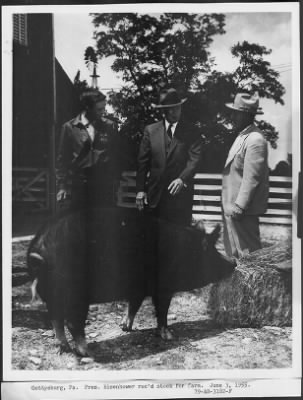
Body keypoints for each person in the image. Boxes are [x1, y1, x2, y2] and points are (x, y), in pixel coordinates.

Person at [136, 87, 202, 226]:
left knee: (179, 241)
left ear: (181, 107)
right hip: (154, 198)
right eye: (169, 109)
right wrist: (141, 190)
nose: (173, 112)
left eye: (176, 108)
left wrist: (182, 179)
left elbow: (194, 160)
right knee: (153, 240)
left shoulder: (192, 131)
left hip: (180, 198)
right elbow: (143, 162)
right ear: (162, 110)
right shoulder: (151, 130)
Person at [222, 92, 269, 258]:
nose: (233, 116)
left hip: (242, 210)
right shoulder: (243, 136)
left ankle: (256, 285)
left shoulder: (255, 139)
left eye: (236, 112)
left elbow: (252, 178)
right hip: (233, 207)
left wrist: (240, 206)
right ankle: (240, 284)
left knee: (250, 255)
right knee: (236, 254)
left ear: (245, 115)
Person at [56, 89, 120, 210]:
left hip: (104, 184)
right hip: (80, 184)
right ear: (87, 108)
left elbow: (116, 156)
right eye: (99, 109)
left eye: (104, 108)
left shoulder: (110, 126)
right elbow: (62, 160)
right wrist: (61, 187)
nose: (103, 112)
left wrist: (115, 183)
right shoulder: (69, 128)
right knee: (80, 223)